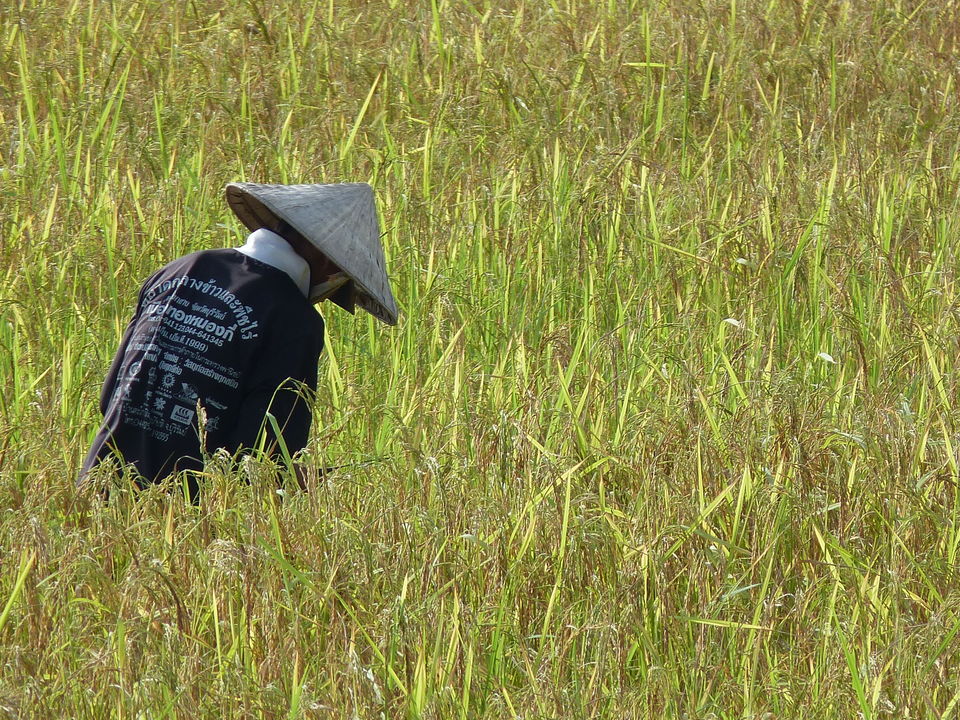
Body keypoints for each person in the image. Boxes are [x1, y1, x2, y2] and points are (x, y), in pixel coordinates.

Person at [78, 182, 398, 494]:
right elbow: (264, 457)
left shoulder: (178, 270)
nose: (331, 284)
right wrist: (309, 482)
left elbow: (112, 395)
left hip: (102, 481)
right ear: (328, 260)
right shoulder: (295, 319)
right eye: (339, 278)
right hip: (190, 506)